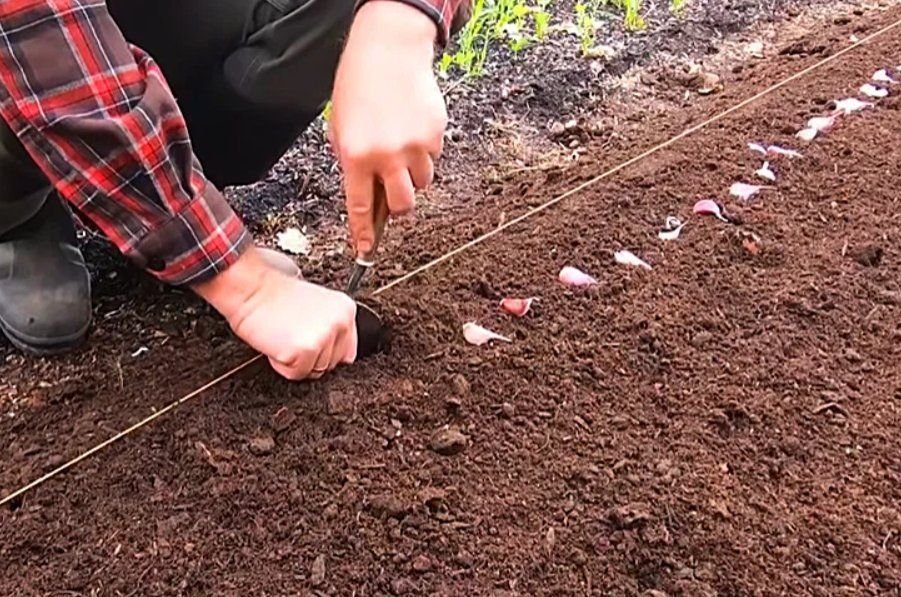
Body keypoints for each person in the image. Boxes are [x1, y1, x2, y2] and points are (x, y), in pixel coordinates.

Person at [0, 0, 470, 380]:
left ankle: (163, 195)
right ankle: (17, 215)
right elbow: (42, 46)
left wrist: (395, 32)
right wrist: (249, 290)